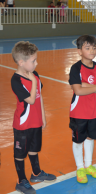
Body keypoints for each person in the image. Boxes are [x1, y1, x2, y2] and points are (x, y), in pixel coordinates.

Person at [11, 41, 56, 194]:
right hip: (23, 124)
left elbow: (39, 96)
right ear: (21, 62)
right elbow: (30, 99)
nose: (36, 63)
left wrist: (43, 116)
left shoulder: (34, 74)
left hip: (36, 120)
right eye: (33, 61)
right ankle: (21, 180)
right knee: (20, 153)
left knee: (34, 148)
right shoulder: (16, 80)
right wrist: (34, 82)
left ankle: (36, 173)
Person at [68, 35, 96, 184]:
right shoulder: (76, 68)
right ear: (79, 51)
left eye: (93, 47)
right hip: (79, 111)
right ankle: (80, 167)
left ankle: (88, 165)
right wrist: (95, 87)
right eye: (87, 48)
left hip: (95, 110)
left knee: (90, 137)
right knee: (78, 140)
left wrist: (85, 85)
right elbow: (77, 90)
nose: (91, 50)